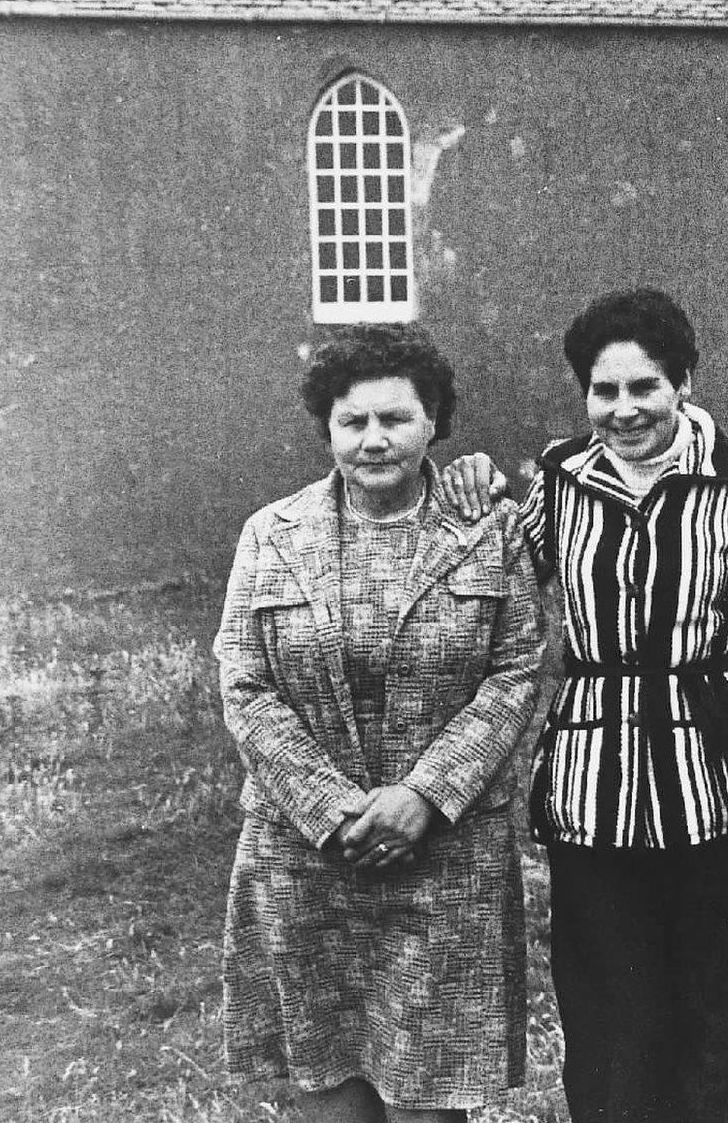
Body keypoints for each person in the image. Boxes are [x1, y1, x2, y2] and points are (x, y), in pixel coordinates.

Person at [213, 325, 544, 1123]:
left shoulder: (489, 530)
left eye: (395, 418)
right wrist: (332, 810)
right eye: (351, 422)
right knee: (328, 1087)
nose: (373, 440)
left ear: (434, 421)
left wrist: (423, 797)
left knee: (429, 1098)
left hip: (444, 858)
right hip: (305, 859)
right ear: (327, 428)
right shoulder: (271, 534)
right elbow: (245, 681)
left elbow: (517, 671)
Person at [517, 288, 728, 1123]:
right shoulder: (558, 482)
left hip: (718, 794)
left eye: (645, 388)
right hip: (594, 790)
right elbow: (506, 581)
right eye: (605, 391)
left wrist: (714, 701)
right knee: (610, 1024)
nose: (625, 410)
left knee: (710, 1018)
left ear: (685, 383)